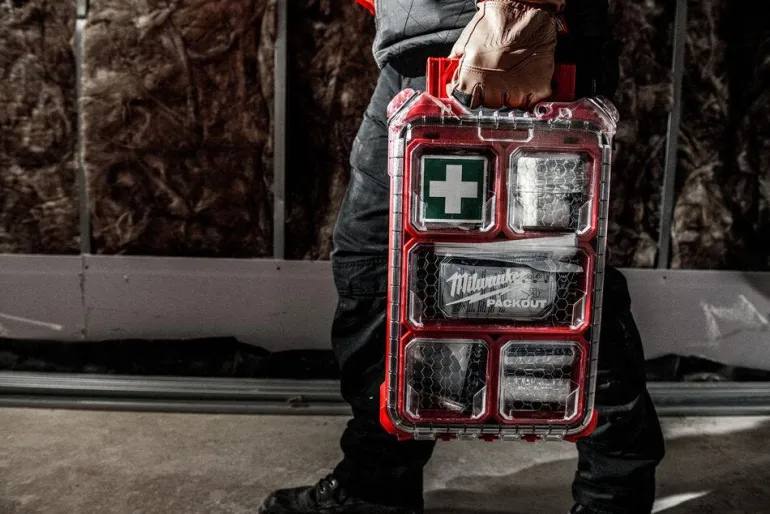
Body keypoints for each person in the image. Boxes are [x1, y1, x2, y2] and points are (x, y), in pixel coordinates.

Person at [259, 1, 665, 512]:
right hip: (434, 46)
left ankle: (614, 496)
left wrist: (523, 15)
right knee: (387, 268)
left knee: (555, 283)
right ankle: (376, 484)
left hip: (499, 52)